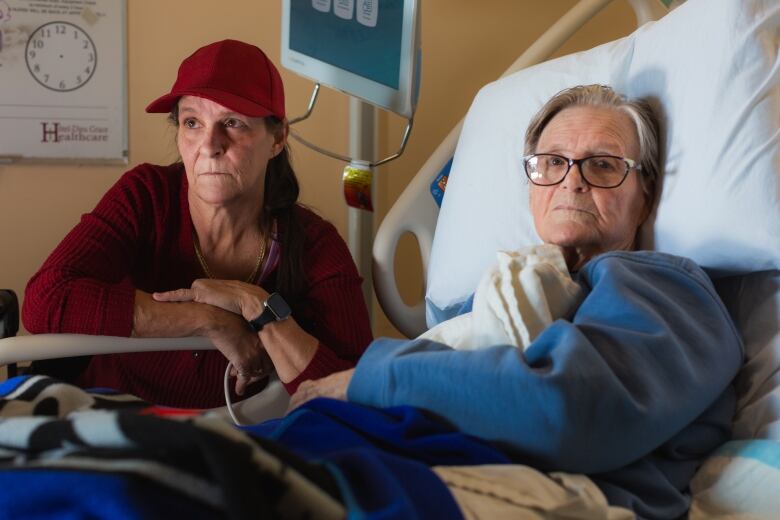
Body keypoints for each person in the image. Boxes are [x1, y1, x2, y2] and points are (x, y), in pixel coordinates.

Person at [268, 85, 742, 519]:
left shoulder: (669, 289)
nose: (571, 182)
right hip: (399, 451)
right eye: (552, 162)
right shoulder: (503, 295)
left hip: (534, 488)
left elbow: (568, 412)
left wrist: (368, 379)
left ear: (645, 195)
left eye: (603, 165)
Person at [22, 39, 373, 409]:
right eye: (192, 122)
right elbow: (46, 299)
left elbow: (358, 390)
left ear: (278, 138)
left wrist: (256, 306)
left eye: (233, 123)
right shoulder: (145, 196)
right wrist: (206, 320)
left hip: (240, 438)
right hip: (111, 415)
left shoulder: (315, 245)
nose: (209, 144)